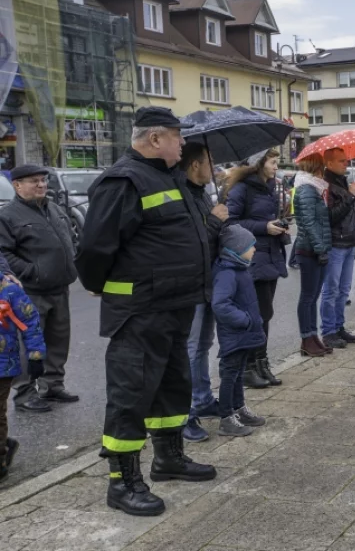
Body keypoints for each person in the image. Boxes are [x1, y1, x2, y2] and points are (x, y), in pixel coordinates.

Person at [76, 106, 216, 517]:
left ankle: (168, 458)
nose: (183, 143)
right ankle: (122, 483)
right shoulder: (124, 180)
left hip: (175, 304)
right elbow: (93, 250)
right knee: (131, 393)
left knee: (174, 384)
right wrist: (99, 287)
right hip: (139, 309)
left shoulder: (171, 177)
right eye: (177, 136)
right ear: (154, 139)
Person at [0, 165, 77, 413]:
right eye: (34, 181)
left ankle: (53, 385)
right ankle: (24, 394)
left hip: (60, 288)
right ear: (17, 185)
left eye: (43, 180)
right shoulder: (8, 216)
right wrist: (31, 271)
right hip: (31, 291)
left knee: (58, 341)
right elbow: (4, 253)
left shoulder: (53, 208)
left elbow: (68, 241)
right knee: (29, 345)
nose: (41, 185)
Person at [177, 144, 228, 442]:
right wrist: (215, 220)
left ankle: (203, 397)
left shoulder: (201, 194)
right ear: (196, 165)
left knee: (203, 344)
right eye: (210, 162)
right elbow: (192, 241)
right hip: (190, 280)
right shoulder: (182, 195)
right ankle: (186, 413)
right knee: (192, 347)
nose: (214, 168)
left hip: (207, 278)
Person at [225, 148, 288, 388]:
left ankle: (262, 362)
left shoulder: (269, 187)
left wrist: (276, 226)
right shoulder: (242, 189)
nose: (276, 167)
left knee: (266, 314)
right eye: (273, 162)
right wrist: (264, 227)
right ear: (258, 163)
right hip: (252, 257)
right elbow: (231, 222)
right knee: (255, 315)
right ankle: (248, 367)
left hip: (270, 255)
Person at [210, 225, 267, 437]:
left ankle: (239, 408)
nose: (254, 249)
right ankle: (226, 417)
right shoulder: (227, 273)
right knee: (230, 374)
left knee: (237, 373)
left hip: (243, 334)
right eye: (250, 246)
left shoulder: (239, 269)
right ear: (236, 249)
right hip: (235, 334)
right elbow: (220, 304)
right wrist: (244, 320)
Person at [0, 273, 44, 483]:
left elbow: (30, 321)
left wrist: (35, 356)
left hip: (3, 366)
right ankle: (6, 444)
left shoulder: (9, 290)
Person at [321, 147, 355, 348]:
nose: (345, 164)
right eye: (341, 161)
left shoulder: (342, 182)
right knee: (331, 290)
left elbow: (349, 214)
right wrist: (350, 196)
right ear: (329, 164)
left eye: (346, 160)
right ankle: (328, 332)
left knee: (344, 289)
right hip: (336, 243)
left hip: (348, 241)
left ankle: (338, 327)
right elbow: (330, 216)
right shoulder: (326, 185)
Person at [292, 154, 333, 358]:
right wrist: (320, 249)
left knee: (313, 296)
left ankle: (313, 336)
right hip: (309, 251)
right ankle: (306, 338)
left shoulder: (315, 188)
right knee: (308, 297)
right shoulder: (307, 189)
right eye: (322, 165)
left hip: (315, 249)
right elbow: (309, 223)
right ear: (316, 166)